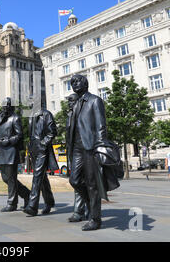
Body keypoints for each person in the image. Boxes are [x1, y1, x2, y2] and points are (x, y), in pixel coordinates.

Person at [67, 74, 119, 231]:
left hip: (90, 147)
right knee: (74, 180)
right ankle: (90, 205)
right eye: (72, 83)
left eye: (77, 82)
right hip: (76, 148)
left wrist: (100, 146)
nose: (75, 85)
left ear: (85, 83)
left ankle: (95, 219)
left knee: (92, 184)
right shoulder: (76, 104)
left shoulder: (95, 100)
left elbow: (101, 126)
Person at [23, 96, 58, 216]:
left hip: (42, 149)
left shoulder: (46, 114)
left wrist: (43, 143)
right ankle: (49, 202)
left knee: (37, 176)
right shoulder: (31, 115)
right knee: (42, 178)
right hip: (33, 149)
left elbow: (52, 131)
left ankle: (32, 206)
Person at [0, 97, 30, 212]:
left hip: (10, 152)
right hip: (1, 151)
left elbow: (19, 135)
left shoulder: (15, 118)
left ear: (11, 107)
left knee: (11, 179)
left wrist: (9, 140)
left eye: (7, 106)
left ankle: (12, 203)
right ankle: (26, 194)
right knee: (5, 178)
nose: (5, 108)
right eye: (3, 106)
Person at [65, 93, 90, 222]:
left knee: (86, 181)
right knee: (75, 181)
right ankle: (82, 209)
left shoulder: (84, 113)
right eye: (68, 101)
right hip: (74, 152)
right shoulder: (69, 116)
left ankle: (80, 211)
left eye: (71, 100)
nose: (69, 103)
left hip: (86, 151)